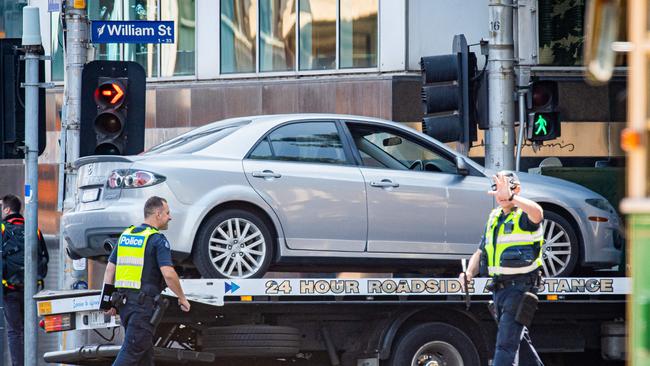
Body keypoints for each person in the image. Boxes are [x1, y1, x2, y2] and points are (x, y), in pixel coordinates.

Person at [459, 171, 544, 366]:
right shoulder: (494, 217)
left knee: (505, 346)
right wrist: (469, 273)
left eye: (507, 189)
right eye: (498, 190)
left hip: (520, 289)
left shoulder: (524, 216)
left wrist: (512, 197)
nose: (501, 195)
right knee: (520, 343)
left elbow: (538, 213)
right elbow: (481, 250)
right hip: (499, 290)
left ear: (518, 190)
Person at [103, 196, 190, 365]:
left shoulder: (126, 236)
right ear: (158, 214)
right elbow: (169, 274)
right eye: (167, 213)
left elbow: (109, 270)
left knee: (144, 357)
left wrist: (107, 302)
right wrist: (182, 297)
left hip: (125, 306)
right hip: (142, 308)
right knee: (131, 352)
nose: (170, 217)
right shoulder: (157, 239)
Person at [1, 194, 49, 366]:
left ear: (7, 209)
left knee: (14, 331)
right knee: (28, 329)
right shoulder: (33, 229)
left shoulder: (3, 228)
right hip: (30, 290)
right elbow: (45, 257)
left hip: (10, 289)